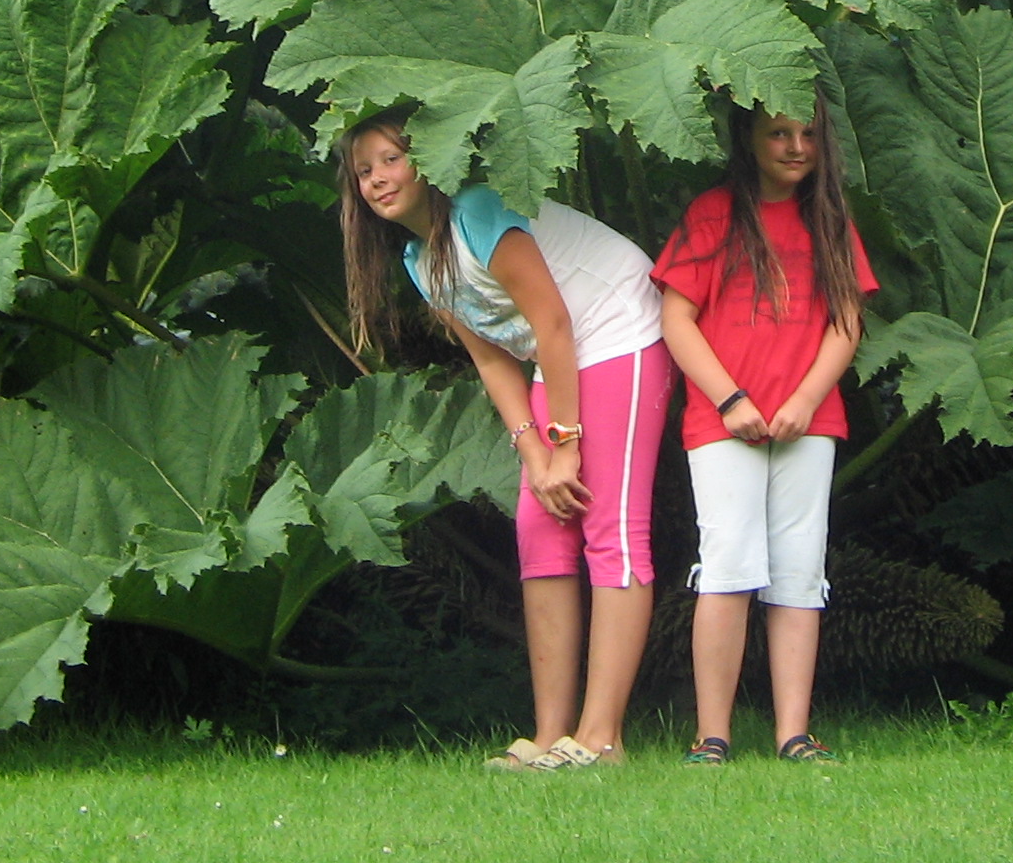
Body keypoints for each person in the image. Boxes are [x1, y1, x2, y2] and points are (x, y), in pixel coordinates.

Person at [338, 116, 672, 772]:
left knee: (611, 526)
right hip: (560, 356)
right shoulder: (419, 260)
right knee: (541, 526)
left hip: (616, 327)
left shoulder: (479, 210)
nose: (379, 179)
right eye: (364, 171)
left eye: (391, 159)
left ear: (424, 160)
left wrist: (567, 443)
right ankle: (550, 738)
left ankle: (602, 738)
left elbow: (550, 318)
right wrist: (535, 452)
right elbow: (493, 360)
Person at [652, 96, 877, 765]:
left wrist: (807, 400)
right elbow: (676, 318)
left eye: (808, 134)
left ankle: (793, 735)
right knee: (726, 568)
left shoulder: (831, 221)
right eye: (779, 133)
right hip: (725, 426)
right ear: (747, 138)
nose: (795, 146)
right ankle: (711, 736)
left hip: (808, 423)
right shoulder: (713, 213)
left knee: (799, 574)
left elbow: (846, 324)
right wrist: (730, 399)